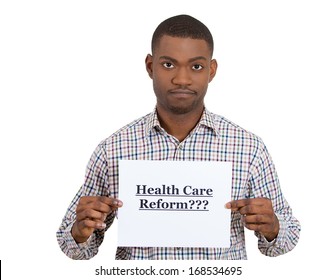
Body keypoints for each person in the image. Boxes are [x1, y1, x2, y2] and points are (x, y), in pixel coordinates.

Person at [56, 14, 300, 260]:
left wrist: (273, 227)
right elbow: (72, 244)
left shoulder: (249, 148)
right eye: (168, 64)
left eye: (196, 66)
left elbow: (287, 237)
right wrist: (80, 231)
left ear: (211, 70)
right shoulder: (113, 149)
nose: (181, 79)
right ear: (150, 66)